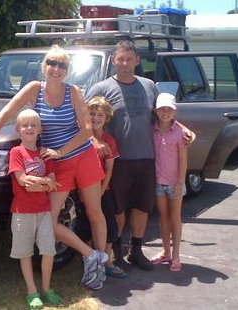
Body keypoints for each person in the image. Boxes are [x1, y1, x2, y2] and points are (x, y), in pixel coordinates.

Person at [0, 45, 108, 290]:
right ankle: (92, 255)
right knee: (49, 222)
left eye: (62, 65)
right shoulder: (34, 89)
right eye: (52, 63)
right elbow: (6, 112)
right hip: (57, 164)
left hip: (82, 157)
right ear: (44, 66)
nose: (56, 69)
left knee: (94, 212)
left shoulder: (74, 91)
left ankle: (99, 266)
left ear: (67, 70)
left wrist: (61, 151)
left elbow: (86, 130)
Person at [85, 40, 195, 271]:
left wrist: (184, 129)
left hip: (146, 159)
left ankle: (136, 250)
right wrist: (94, 140)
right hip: (117, 162)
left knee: (142, 207)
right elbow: (86, 120)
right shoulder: (101, 88)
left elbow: (163, 115)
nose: (124, 64)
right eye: (120, 59)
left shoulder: (148, 86)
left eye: (129, 59)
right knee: (118, 209)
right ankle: (116, 252)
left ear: (137, 61)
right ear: (114, 59)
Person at [8, 109, 63, 308]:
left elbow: (53, 183)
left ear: (40, 129)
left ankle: (47, 288)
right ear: (18, 130)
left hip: (44, 210)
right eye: (25, 125)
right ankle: (32, 291)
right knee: (25, 252)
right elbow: (22, 180)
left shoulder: (44, 154)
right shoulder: (16, 152)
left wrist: (40, 183)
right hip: (22, 211)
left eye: (33, 125)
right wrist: (44, 182)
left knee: (48, 250)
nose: (29, 128)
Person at [88, 96, 127, 278]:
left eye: (100, 115)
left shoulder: (109, 141)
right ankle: (92, 259)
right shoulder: (83, 138)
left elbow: (109, 170)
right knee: (86, 226)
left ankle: (106, 260)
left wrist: (101, 192)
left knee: (110, 226)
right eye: (92, 114)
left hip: (103, 190)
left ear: (107, 118)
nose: (96, 118)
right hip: (84, 189)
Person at [151, 93, 188, 272]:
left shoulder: (180, 133)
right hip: (158, 181)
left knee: (175, 218)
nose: (165, 112)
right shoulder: (152, 129)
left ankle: (176, 254)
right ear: (156, 111)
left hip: (174, 182)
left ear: (175, 111)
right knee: (163, 217)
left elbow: (183, 159)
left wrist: (180, 182)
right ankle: (165, 250)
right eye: (161, 109)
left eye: (169, 109)